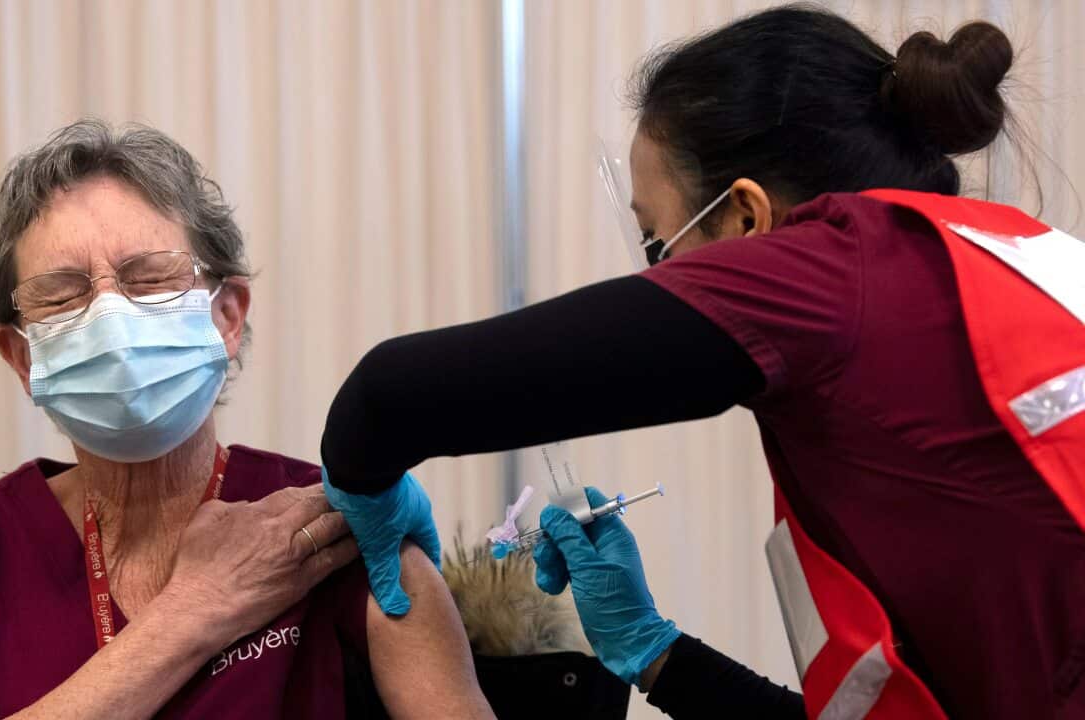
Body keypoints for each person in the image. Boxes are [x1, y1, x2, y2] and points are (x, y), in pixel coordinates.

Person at [319, 6, 1085, 720]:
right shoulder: (1006, 267)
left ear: (749, 218)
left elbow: (389, 397)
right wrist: (654, 653)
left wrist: (368, 483)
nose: (656, 274)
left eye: (657, 242)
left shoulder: (831, 273)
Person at [0, 120, 493, 720]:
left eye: (150, 279)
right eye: (63, 295)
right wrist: (198, 608)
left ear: (227, 318)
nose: (110, 320)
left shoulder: (339, 531)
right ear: (24, 356)